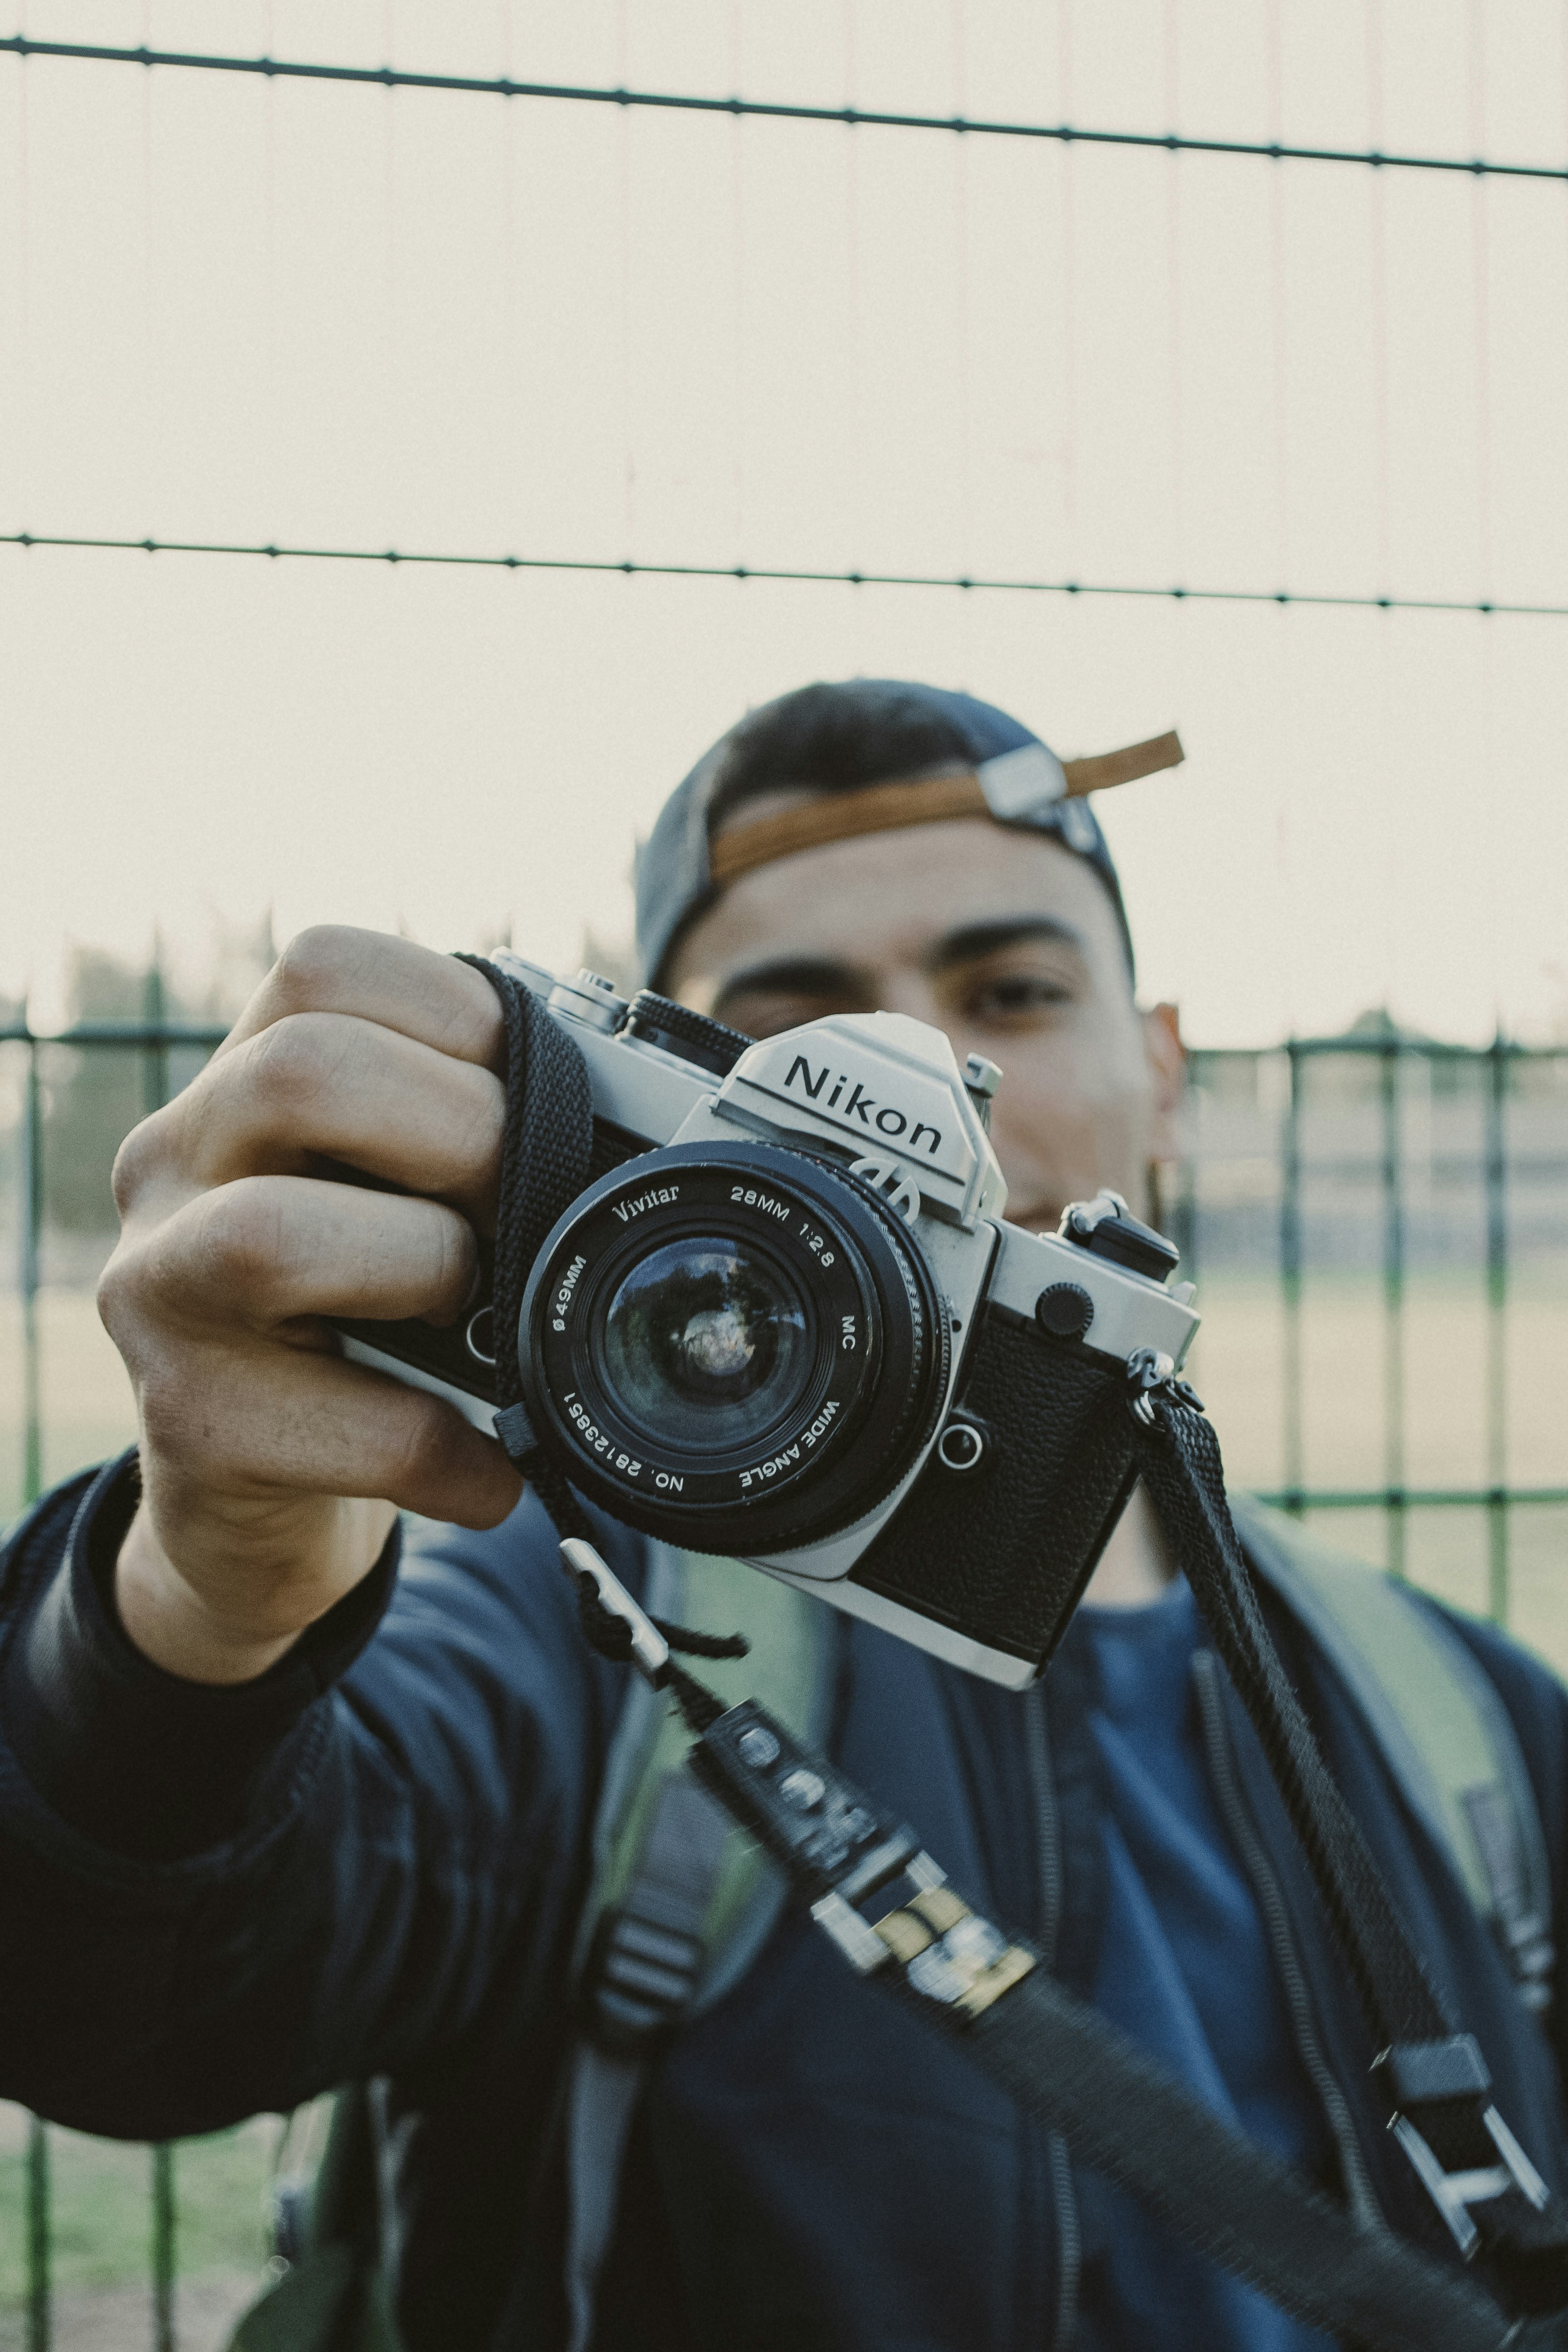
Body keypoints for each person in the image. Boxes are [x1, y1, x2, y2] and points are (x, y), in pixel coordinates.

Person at [1, 678, 1563, 2352]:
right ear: (640, 1122)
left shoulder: (1462, 1723)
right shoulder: (566, 1626)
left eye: (1013, 994)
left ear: (1162, 1074)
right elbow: (124, 1996)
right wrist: (199, 1608)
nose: (922, 1102)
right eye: (782, 1034)